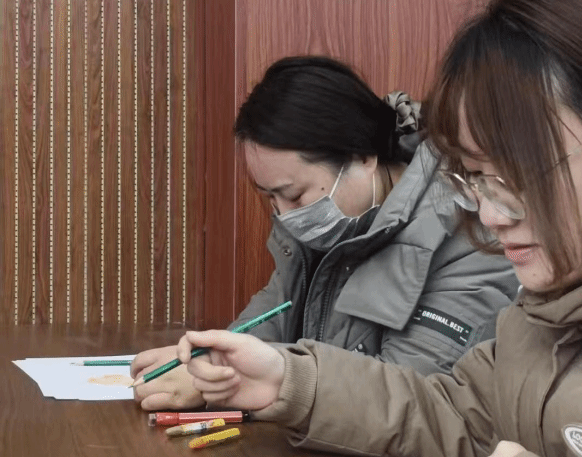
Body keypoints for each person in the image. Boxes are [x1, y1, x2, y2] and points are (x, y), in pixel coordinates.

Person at [173, 1, 582, 456]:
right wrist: (289, 381)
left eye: (518, 174)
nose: (491, 217)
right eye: (478, 179)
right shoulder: (546, 311)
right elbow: (455, 411)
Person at [131, 56, 519, 411]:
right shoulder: (329, 222)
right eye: (270, 198)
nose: (285, 216)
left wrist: (240, 384)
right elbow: (271, 316)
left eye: (294, 195)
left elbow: (414, 401)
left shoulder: (472, 234)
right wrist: (211, 363)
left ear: (363, 157)